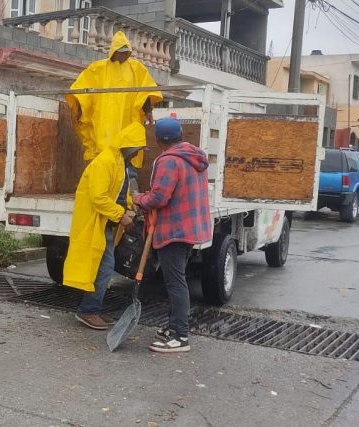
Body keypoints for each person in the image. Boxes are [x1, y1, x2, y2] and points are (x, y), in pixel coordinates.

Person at [133, 117, 212, 352]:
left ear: (158, 140)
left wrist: (138, 199)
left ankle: (180, 336)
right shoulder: (194, 157)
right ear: (180, 135)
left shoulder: (168, 161)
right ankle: (173, 326)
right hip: (190, 228)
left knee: (175, 282)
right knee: (177, 280)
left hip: (173, 229)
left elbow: (159, 198)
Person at [63, 123, 146, 330]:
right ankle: (88, 310)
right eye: (136, 148)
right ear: (127, 146)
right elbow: (98, 197)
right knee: (104, 266)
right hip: (95, 222)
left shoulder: (119, 162)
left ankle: (92, 308)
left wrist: (129, 208)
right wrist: (120, 215)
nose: (137, 153)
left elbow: (120, 190)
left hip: (105, 223)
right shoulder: (106, 162)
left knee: (104, 266)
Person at [66, 31, 162, 171]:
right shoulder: (97, 68)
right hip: (103, 122)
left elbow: (145, 91)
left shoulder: (137, 69)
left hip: (127, 121)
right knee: (103, 155)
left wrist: (148, 111)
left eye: (125, 52)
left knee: (127, 154)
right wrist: (79, 108)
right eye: (120, 52)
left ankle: (127, 183)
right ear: (113, 52)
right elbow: (81, 91)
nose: (123, 55)